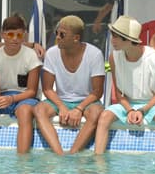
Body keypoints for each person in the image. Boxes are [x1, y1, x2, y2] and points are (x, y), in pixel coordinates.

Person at [94, 15, 155, 157]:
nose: (112, 40)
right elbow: (119, 93)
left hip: (151, 104)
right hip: (127, 104)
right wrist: (130, 110)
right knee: (105, 116)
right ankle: (98, 160)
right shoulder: (114, 57)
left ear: (128, 40)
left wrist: (142, 110)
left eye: (116, 37)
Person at [33, 15, 107, 155]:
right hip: (60, 100)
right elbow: (47, 89)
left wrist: (79, 108)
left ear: (76, 38)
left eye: (62, 34)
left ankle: (73, 153)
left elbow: (97, 92)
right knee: (38, 110)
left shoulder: (95, 54)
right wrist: (61, 106)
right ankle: (59, 154)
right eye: (57, 33)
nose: (57, 37)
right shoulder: (52, 53)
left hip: (86, 101)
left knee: (97, 112)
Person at [0, 14, 42, 154]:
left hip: (25, 97)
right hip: (4, 96)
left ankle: (23, 160)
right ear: (2, 35)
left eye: (19, 35)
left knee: (24, 111)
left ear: (24, 36)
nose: (15, 39)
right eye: (10, 34)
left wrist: (11, 99)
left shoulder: (31, 55)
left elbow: (32, 91)